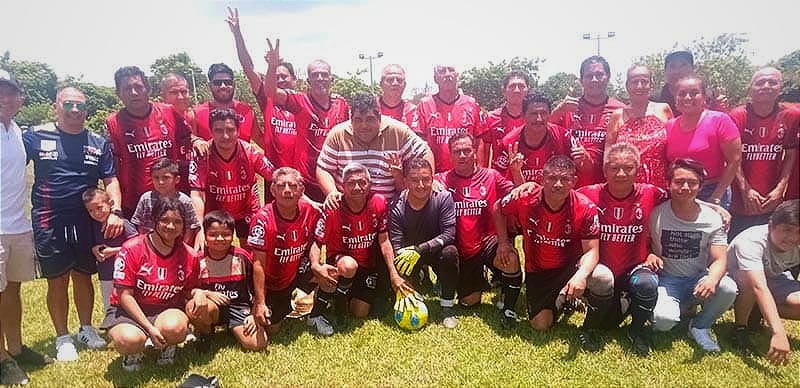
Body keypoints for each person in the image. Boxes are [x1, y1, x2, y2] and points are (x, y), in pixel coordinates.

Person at [24, 86, 124, 361]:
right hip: (49, 218)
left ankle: (86, 328)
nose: (75, 111)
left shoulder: (97, 141)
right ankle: (62, 337)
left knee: (83, 275)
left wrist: (115, 211)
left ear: (86, 110)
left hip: (84, 219)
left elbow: (111, 179)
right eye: (68, 105)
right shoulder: (34, 136)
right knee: (57, 279)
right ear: (56, 107)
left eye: (80, 106)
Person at [493, 155, 613, 351]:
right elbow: (498, 207)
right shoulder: (525, 197)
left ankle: (589, 329)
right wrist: (503, 242)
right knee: (540, 324)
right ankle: (565, 299)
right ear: (542, 178)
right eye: (551, 178)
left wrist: (581, 276)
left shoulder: (586, 207)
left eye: (565, 179)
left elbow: (592, 251)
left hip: (570, 268)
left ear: (574, 181)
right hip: (538, 271)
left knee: (603, 277)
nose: (558, 184)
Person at [577, 143, 668, 356]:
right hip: (601, 268)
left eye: (628, 168)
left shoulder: (651, 193)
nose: (621, 173)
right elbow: (555, 194)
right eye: (614, 167)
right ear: (604, 169)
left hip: (635, 266)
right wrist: (522, 184)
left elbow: (684, 198)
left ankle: (636, 331)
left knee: (646, 285)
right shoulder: (588, 193)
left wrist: (714, 207)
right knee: (605, 325)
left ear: (638, 168)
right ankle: (590, 325)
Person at [309, 163, 411, 334]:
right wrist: (316, 265)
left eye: (362, 182)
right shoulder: (333, 207)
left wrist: (394, 274)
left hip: (366, 267)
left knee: (360, 312)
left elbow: (384, 241)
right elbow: (317, 241)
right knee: (349, 265)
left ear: (369, 185)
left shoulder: (378, 202)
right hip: (341, 264)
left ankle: (335, 295)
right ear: (342, 186)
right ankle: (339, 300)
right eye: (351, 183)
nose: (357, 187)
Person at [649, 158, 738, 353]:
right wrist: (649, 255)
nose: (685, 187)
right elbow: (643, 244)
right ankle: (678, 309)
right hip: (667, 280)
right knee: (663, 323)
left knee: (728, 288)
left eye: (692, 183)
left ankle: (700, 325)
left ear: (700, 186)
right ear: (668, 184)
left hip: (697, 277)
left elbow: (720, 258)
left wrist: (712, 279)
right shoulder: (655, 213)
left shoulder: (712, 218)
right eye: (679, 182)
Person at [104, 197, 199, 372]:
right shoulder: (132, 248)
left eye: (177, 222)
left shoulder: (189, 255)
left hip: (165, 309)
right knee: (129, 340)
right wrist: (149, 328)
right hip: (128, 311)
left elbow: (188, 290)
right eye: (165, 220)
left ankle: (168, 345)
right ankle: (133, 353)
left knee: (175, 327)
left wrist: (198, 293)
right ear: (154, 220)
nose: (171, 226)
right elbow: (124, 296)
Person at [436, 134, 521, 328]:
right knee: (469, 301)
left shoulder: (491, 176)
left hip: (488, 242)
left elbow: (520, 196)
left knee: (511, 257)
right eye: (457, 151)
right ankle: (474, 282)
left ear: (475, 152)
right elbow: (418, 191)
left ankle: (509, 307)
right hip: (462, 248)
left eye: (467, 150)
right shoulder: (442, 179)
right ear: (450, 155)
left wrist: (516, 172)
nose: (463, 155)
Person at [106, 66, 202, 217]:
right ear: (118, 93)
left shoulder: (168, 111)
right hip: (135, 204)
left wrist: (196, 141)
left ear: (148, 89)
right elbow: (112, 166)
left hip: (171, 200)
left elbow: (187, 137)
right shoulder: (113, 123)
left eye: (138, 87)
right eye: (127, 89)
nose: (134, 93)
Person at [0, 69, 46, 386]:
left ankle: (15, 347)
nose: (4, 98)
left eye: (10, 92)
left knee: (12, 290)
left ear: (20, 99)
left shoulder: (17, 131)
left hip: (18, 225)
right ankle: (1, 359)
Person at [264, 38, 350, 202]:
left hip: (333, 179)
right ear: (308, 80)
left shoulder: (341, 104)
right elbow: (270, 93)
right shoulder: (300, 101)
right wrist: (272, 65)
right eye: (315, 75)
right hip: (306, 180)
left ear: (331, 78)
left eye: (324, 75)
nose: (319, 78)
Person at [317, 93, 434, 206]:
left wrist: (430, 181)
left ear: (379, 118)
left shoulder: (397, 131)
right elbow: (323, 168)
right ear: (351, 120)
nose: (364, 126)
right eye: (358, 120)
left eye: (370, 119)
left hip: (387, 210)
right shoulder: (338, 134)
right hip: (348, 210)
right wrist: (332, 192)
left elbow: (425, 152)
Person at [247, 167, 322, 335]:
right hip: (272, 282)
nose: (287, 191)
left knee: (329, 275)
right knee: (272, 328)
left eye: (293, 186)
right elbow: (258, 264)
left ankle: (316, 312)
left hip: (295, 270)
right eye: (281, 186)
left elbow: (318, 239)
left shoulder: (309, 210)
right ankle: (285, 304)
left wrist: (316, 264)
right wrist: (260, 302)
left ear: (301, 189)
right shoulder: (262, 219)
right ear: (273, 190)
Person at [226, 7, 297, 176]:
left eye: (284, 77)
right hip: (274, 173)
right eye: (276, 77)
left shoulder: (303, 103)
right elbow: (248, 68)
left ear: (295, 80)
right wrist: (237, 34)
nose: (280, 80)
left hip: (301, 174)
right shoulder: (268, 99)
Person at [728, 68, 799, 238]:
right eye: (760, 83)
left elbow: (790, 154)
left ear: (780, 88)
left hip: (772, 199)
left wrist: (780, 189)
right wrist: (746, 190)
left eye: (772, 82)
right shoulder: (736, 116)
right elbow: (731, 157)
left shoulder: (791, 116)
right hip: (741, 201)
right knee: (737, 247)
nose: (766, 86)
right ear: (750, 89)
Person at [189, 108, 274, 248]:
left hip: (247, 210)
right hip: (216, 213)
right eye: (219, 130)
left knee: (251, 255)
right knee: (215, 255)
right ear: (211, 132)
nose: (225, 136)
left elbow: (275, 176)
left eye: (230, 130)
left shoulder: (250, 152)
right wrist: (199, 228)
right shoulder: (202, 155)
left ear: (238, 131)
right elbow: (197, 194)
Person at [729, 200, 799, 366]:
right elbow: (758, 286)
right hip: (736, 282)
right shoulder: (751, 241)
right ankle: (740, 329)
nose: (793, 238)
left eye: (799, 232)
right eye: (787, 230)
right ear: (770, 226)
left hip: (773, 279)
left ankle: (758, 311)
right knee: (749, 281)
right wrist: (778, 332)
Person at [390, 158, 458, 327]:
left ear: (432, 179)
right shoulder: (396, 205)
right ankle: (418, 280)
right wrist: (402, 261)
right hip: (410, 254)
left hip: (434, 251)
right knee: (400, 263)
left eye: (426, 179)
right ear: (405, 182)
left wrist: (420, 249)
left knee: (450, 253)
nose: (421, 185)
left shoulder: (443, 198)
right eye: (414, 180)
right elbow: (396, 245)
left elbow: (449, 233)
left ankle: (447, 306)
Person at [187, 210, 268, 351]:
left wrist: (254, 313)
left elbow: (258, 286)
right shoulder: (197, 259)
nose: (219, 239)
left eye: (225, 234)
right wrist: (205, 293)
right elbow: (186, 290)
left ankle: (235, 327)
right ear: (205, 236)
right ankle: (206, 333)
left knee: (258, 344)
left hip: (238, 307)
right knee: (193, 305)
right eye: (213, 235)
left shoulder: (242, 257)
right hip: (212, 307)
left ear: (233, 236)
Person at [665, 74, 742, 208]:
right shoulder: (669, 126)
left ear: (704, 97)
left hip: (711, 191)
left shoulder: (720, 120)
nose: (688, 98)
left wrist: (717, 195)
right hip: (679, 192)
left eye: (694, 93)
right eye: (682, 94)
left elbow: (734, 160)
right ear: (675, 98)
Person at [550, 56, 626, 187]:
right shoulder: (568, 108)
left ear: (608, 77)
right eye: (589, 76)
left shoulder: (620, 110)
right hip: (570, 187)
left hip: (607, 187)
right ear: (581, 80)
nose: (594, 80)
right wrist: (558, 111)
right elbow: (542, 130)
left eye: (599, 75)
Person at [605, 65, 674, 188]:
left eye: (644, 81)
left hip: (661, 186)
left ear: (651, 85)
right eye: (634, 82)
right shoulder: (617, 116)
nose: (639, 86)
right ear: (627, 86)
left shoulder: (664, 109)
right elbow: (608, 157)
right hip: (627, 187)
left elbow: (674, 149)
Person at [416, 64, 488, 171]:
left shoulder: (471, 104)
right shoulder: (425, 105)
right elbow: (419, 142)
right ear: (435, 78)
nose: (447, 74)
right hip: (435, 175)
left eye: (451, 70)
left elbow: (479, 140)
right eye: (442, 71)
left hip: (466, 174)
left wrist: (480, 172)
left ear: (457, 75)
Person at [493, 92, 573, 186]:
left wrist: (583, 159)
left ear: (549, 114)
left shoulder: (563, 136)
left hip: (556, 194)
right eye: (533, 114)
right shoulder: (508, 143)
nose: (539, 119)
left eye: (543, 113)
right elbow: (498, 182)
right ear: (523, 115)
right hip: (520, 195)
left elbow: (578, 172)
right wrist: (515, 172)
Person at [83, 188, 138, 314]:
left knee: (130, 301)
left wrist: (113, 251)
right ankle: (112, 327)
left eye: (99, 207)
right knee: (110, 305)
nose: (96, 213)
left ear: (111, 204)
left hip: (127, 274)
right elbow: (93, 245)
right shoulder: (93, 226)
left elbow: (138, 246)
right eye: (91, 211)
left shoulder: (123, 224)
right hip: (106, 273)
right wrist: (94, 249)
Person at [193, 63, 263, 149]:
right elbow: (188, 139)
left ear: (233, 84)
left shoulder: (247, 111)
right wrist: (196, 140)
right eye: (217, 83)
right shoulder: (196, 114)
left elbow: (262, 141)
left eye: (227, 82)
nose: (223, 86)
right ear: (210, 85)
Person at [131, 158, 201, 243]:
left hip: (176, 246)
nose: (161, 182)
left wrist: (182, 247)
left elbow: (190, 228)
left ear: (177, 179)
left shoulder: (185, 201)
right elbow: (140, 224)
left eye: (166, 178)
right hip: (150, 245)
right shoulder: (146, 198)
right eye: (156, 178)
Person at [656, 50, 728, 114]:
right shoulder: (655, 100)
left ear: (693, 69)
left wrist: (719, 108)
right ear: (665, 71)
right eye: (672, 66)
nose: (677, 71)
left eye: (683, 65)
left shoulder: (708, 96)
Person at [485, 71, 530, 161]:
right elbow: (485, 154)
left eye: (521, 86)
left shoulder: (534, 118)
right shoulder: (491, 118)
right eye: (512, 86)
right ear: (504, 91)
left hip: (527, 173)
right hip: (500, 173)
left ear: (528, 90)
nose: (517, 90)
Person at [379, 64, 418, 131]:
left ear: (404, 85)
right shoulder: (371, 108)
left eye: (399, 80)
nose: (395, 83)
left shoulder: (413, 111)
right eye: (390, 79)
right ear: (381, 84)